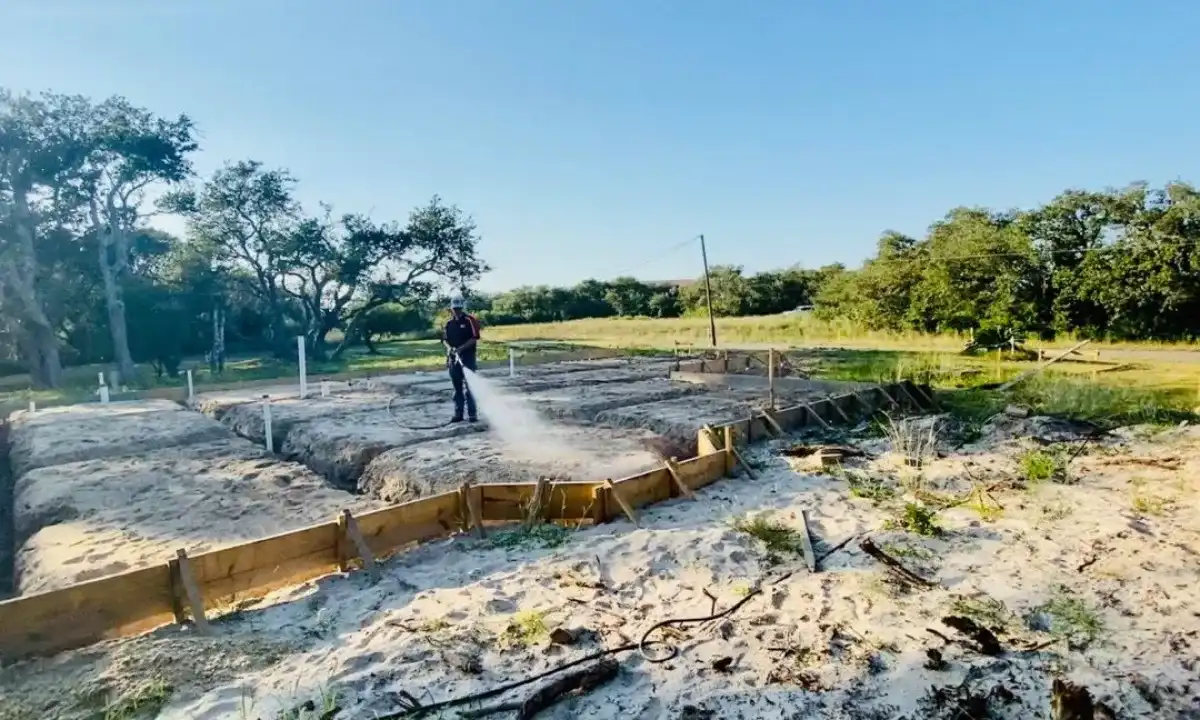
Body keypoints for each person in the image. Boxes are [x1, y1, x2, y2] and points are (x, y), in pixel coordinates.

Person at [443, 295, 480, 422]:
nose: (457, 311)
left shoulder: (470, 320)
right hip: (454, 359)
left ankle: (472, 414)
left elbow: (475, 338)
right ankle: (458, 414)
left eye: (459, 308)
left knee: (470, 387)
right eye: (455, 309)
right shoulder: (449, 323)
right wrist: (450, 349)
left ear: (462, 307)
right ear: (451, 309)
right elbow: (445, 340)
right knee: (457, 388)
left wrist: (461, 349)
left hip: (468, 358)